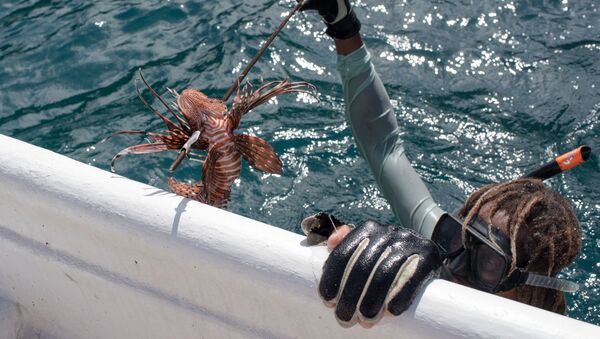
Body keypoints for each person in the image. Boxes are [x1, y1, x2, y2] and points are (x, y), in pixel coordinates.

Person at [298, 0, 583, 328]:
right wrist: (344, 26)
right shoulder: (439, 246)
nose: (454, 265)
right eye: (458, 238)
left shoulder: (547, 327)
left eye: (488, 263)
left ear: (532, 289)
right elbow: (384, 147)